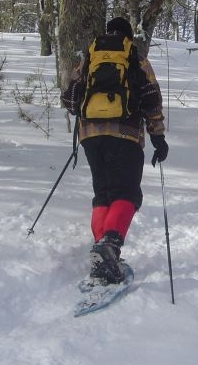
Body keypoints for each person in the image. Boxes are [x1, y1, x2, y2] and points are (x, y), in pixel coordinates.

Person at [64, 16, 168, 285]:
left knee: (104, 193)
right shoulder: (135, 56)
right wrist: (158, 137)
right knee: (127, 193)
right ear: (128, 36)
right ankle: (109, 248)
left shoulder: (89, 56)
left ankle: (102, 250)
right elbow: (151, 98)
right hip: (126, 134)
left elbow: (69, 98)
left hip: (90, 135)